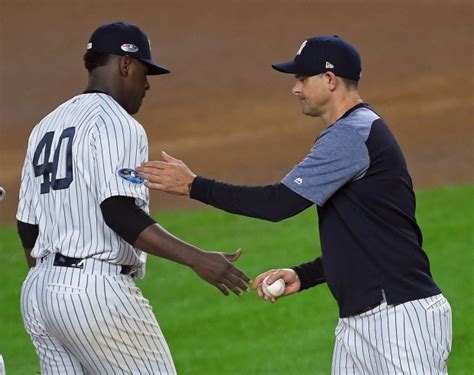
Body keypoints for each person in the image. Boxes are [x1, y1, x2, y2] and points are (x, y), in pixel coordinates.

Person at [137, 35, 452, 374]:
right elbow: (364, 235)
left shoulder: (351, 134)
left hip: (398, 319)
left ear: (330, 80)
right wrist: (306, 274)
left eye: (302, 78)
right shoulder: (355, 131)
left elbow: (278, 204)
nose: (295, 89)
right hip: (362, 322)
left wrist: (194, 186)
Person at [16, 21, 250, 374]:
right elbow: (118, 211)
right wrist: (197, 259)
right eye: (144, 70)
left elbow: (27, 226)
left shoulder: (45, 126)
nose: (147, 84)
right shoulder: (117, 123)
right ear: (125, 65)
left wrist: (51, 284)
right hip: (93, 291)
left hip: (38, 294)